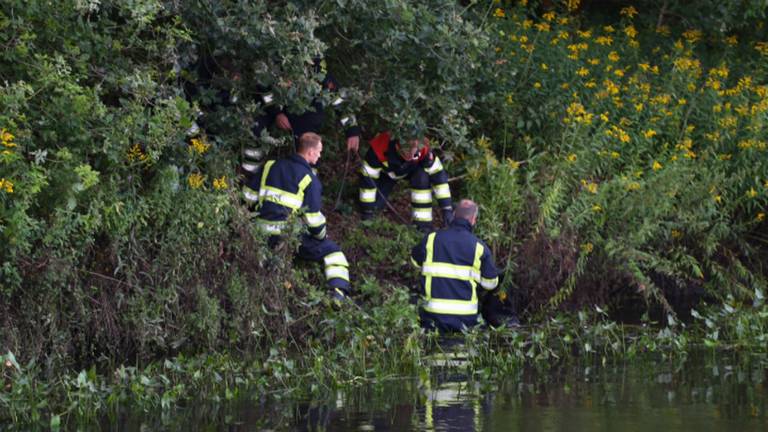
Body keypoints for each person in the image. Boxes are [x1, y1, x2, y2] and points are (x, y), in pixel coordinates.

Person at [243, 132, 351, 301]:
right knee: (334, 252)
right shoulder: (309, 179)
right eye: (319, 151)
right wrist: (322, 236)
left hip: (258, 233)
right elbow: (313, 220)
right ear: (310, 152)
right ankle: (338, 294)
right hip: (287, 237)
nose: (320, 155)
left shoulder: (270, 165)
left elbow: (248, 197)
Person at [242, 58, 361, 178]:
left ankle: (308, 181)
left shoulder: (319, 72)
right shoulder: (277, 61)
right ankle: (249, 176)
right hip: (273, 103)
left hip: (302, 110)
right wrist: (276, 113)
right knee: (255, 127)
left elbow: (340, 101)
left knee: (309, 143)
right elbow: (264, 88)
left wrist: (352, 130)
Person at [411, 200, 508, 332]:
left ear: (454, 214)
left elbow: (415, 261)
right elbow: (490, 283)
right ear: (473, 219)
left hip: (433, 319)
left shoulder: (431, 239)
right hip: (466, 322)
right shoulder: (479, 247)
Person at [359, 131, 453, 233]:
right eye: (407, 152)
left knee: (422, 177)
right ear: (398, 146)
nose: (410, 155)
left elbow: (439, 177)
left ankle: (423, 224)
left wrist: (446, 208)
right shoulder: (379, 148)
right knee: (375, 207)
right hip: (386, 174)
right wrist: (367, 210)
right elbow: (368, 181)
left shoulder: (423, 148)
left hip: (411, 170)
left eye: (413, 152)